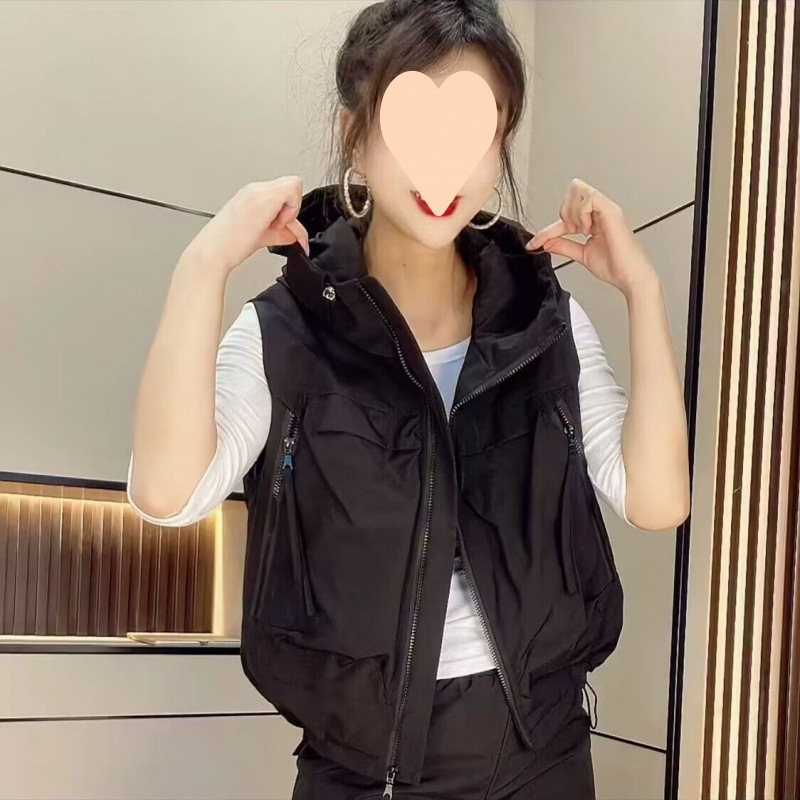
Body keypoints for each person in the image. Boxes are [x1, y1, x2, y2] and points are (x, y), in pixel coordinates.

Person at [127, 1, 691, 798]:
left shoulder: (542, 320)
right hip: (361, 773)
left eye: (474, 133)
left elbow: (658, 501)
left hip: (543, 760)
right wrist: (204, 264)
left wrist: (643, 290)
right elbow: (168, 493)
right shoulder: (288, 331)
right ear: (354, 134)